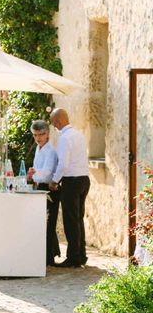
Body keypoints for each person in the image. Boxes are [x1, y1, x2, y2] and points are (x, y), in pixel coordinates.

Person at [49, 108, 90, 268]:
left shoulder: (65, 138)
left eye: (54, 123)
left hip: (71, 181)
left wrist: (54, 181)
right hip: (84, 179)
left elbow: (63, 164)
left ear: (58, 121)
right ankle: (81, 254)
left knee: (71, 220)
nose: (54, 126)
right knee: (78, 218)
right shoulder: (78, 134)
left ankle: (73, 257)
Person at [27, 120, 60, 266]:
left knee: (49, 222)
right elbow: (37, 169)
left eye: (41, 134)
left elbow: (47, 173)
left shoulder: (51, 151)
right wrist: (32, 175)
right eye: (35, 135)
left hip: (49, 188)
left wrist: (33, 174)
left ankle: (49, 256)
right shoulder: (38, 149)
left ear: (48, 134)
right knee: (42, 222)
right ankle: (48, 253)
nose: (38, 138)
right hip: (40, 187)